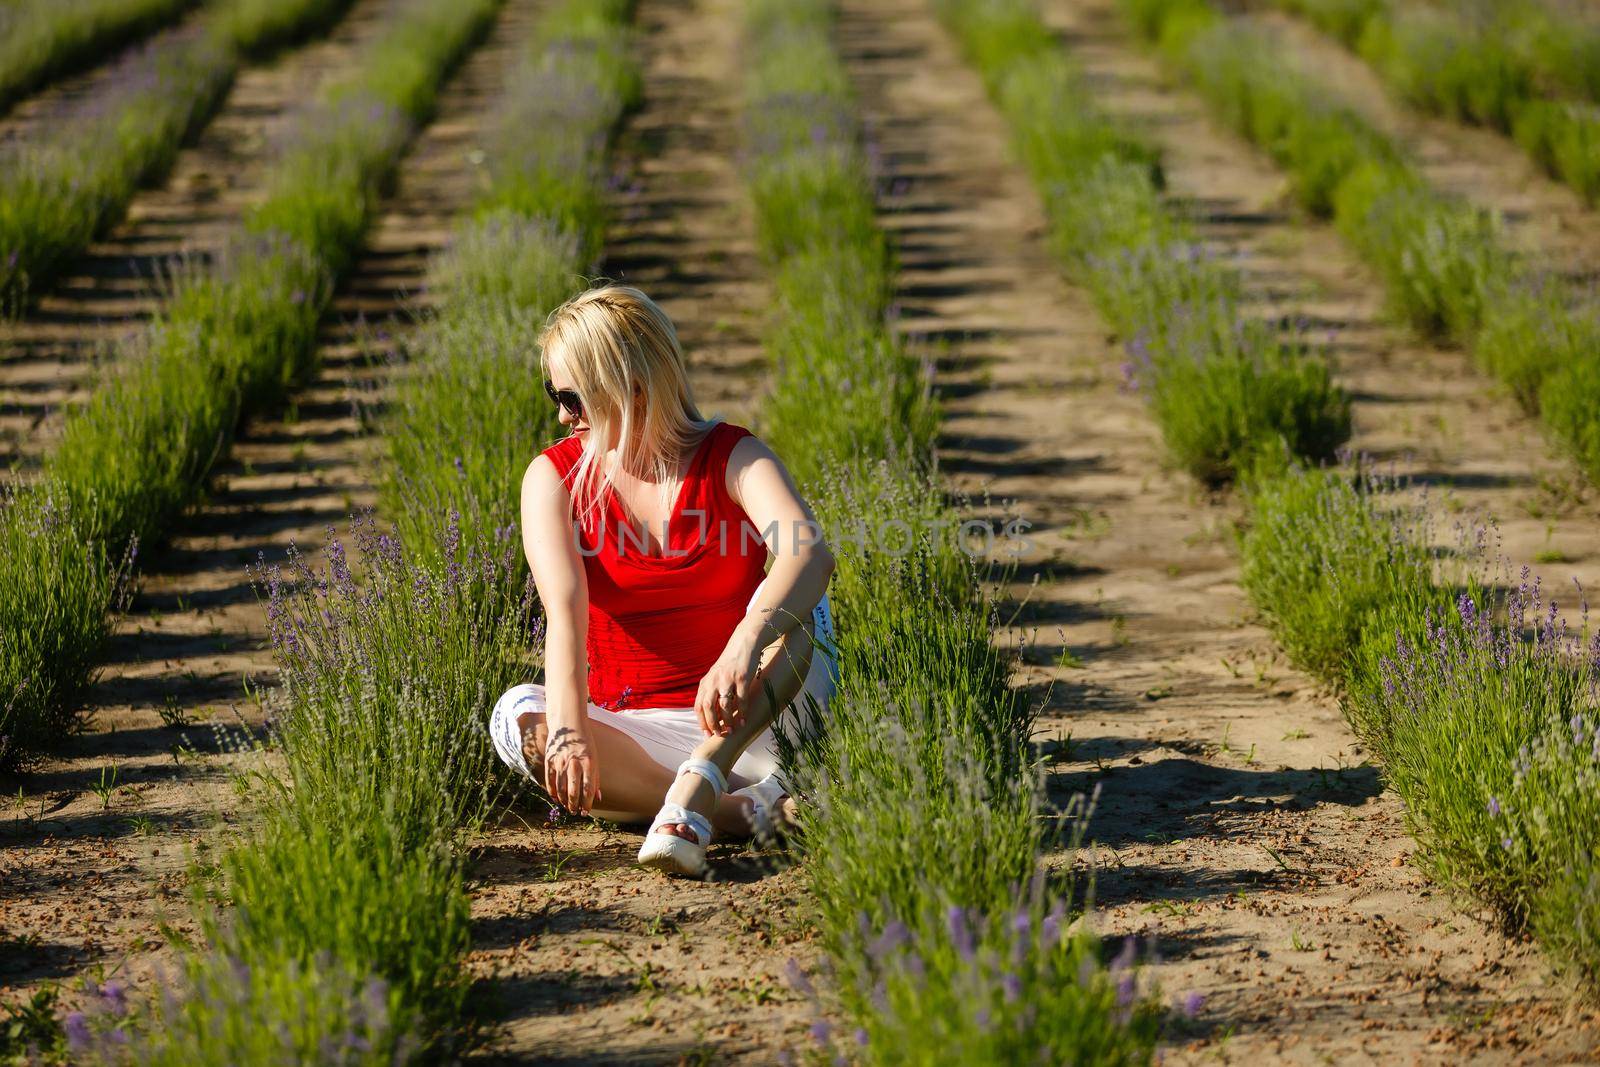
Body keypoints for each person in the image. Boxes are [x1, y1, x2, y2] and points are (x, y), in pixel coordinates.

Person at [487, 284, 838, 877]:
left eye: (571, 397)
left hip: (758, 708)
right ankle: (733, 810)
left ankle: (707, 770)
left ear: (630, 391)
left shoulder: (732, 456)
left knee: (806, 603)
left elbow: (811, 552)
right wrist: (571, 732)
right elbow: (564, 611)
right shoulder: (553, 478)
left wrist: (740, 649)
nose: (561, 415)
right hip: (638, 732)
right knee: (519, 718)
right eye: (555, 395)